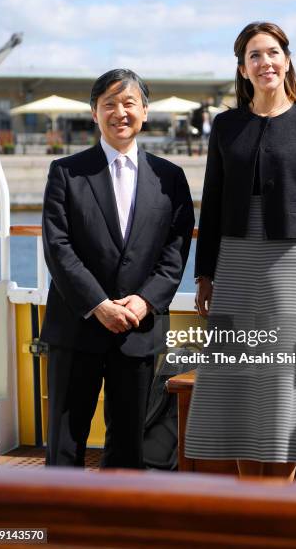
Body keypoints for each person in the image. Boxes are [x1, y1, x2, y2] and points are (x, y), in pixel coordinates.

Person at [185, 22, 296, 482]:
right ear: (242, 68)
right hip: (233, 264)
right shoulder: (226, 125)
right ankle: (251, 502)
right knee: (240, 379)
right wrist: (204, 273)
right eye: (254, 55)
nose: (265, 61)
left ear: (286, 60)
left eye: (272, 52)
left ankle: (279, 504)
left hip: (291, 266)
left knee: (283, 380)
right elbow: (210, 203)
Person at [41, 69, 194, 468]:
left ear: (145, 111)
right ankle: (59, 525)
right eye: (109, 103)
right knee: (64, 440)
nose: (119, 112)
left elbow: (175, 249)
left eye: (129, 103)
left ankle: (117, 525)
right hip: (77, 325)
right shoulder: (66, 172)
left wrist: (145, 302)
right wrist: (98, 304)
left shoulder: (170, 178)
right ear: (94, 113)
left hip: (137, 328)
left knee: (128, 443)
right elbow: (58, 247)